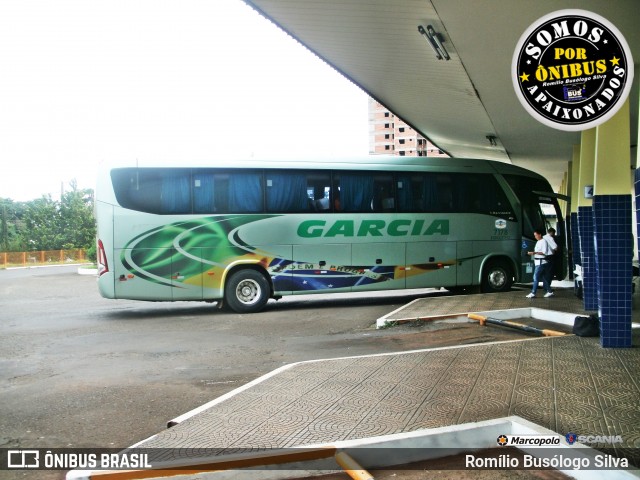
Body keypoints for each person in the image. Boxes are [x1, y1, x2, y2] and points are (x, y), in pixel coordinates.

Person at [526, 228, 554, 298]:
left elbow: (544, 252)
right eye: (534, 235)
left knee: (535, 278)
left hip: (541, 262)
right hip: (538, 262)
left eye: (536, 235)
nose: (535, 237)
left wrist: (534, 253)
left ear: (540, 234)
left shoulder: (543, 241)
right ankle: (550, 291)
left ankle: (533, 292)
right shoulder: (538, 242)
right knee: (543, 278)